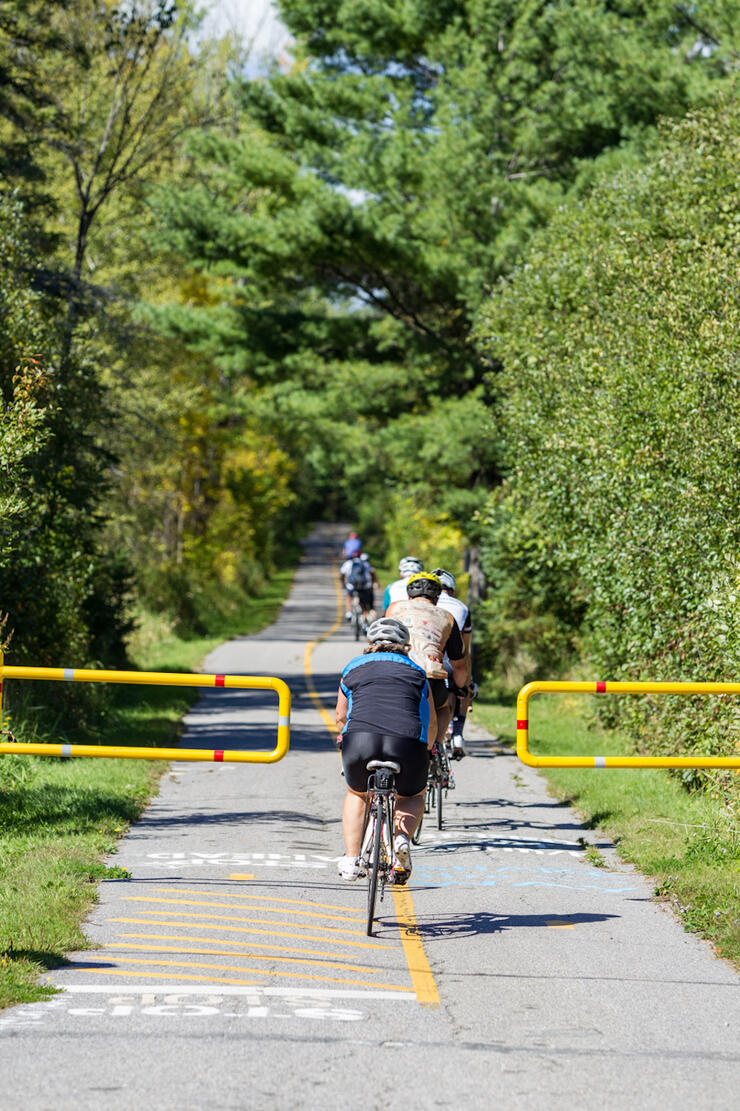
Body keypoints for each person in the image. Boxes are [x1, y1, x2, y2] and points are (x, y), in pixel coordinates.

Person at [335, 617, 436, 883]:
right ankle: (402, 839)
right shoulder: (417, 672)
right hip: (406, 742)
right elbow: (430, 722)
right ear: (405, 645)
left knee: (357, 793)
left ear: (370, 643)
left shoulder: (352, 668)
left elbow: (341, 717)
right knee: (411, 795)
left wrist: (342, 740)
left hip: (360, 740)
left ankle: (350, 859)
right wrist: (427, 749)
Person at [386, 572, 467, 747]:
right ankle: (435, 747)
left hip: (395, 673)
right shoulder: (448, 617)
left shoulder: (394, 608)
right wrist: (461, 688)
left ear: (408, 596)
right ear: (437, 599)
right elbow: (459, 667)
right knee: (443, 708)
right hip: (430, 676)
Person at [433, 568, 474, 759]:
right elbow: (465, 651)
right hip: (451, 663)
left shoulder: (422, 605)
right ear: (452, 590)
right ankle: (457, 732)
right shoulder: (462, 608)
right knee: (464, 685)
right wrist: (466, 684)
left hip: (427, 663)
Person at [340, 546, 378, 623]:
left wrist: (343, 583)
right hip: (364, 586)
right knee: (363, 601)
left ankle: (349, 612)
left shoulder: (348, 563)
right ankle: (364, 617)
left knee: (349, 595)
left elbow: (342, 574)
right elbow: (372, 572)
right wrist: (374, 582)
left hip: (352, 585)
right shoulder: (365, 563)